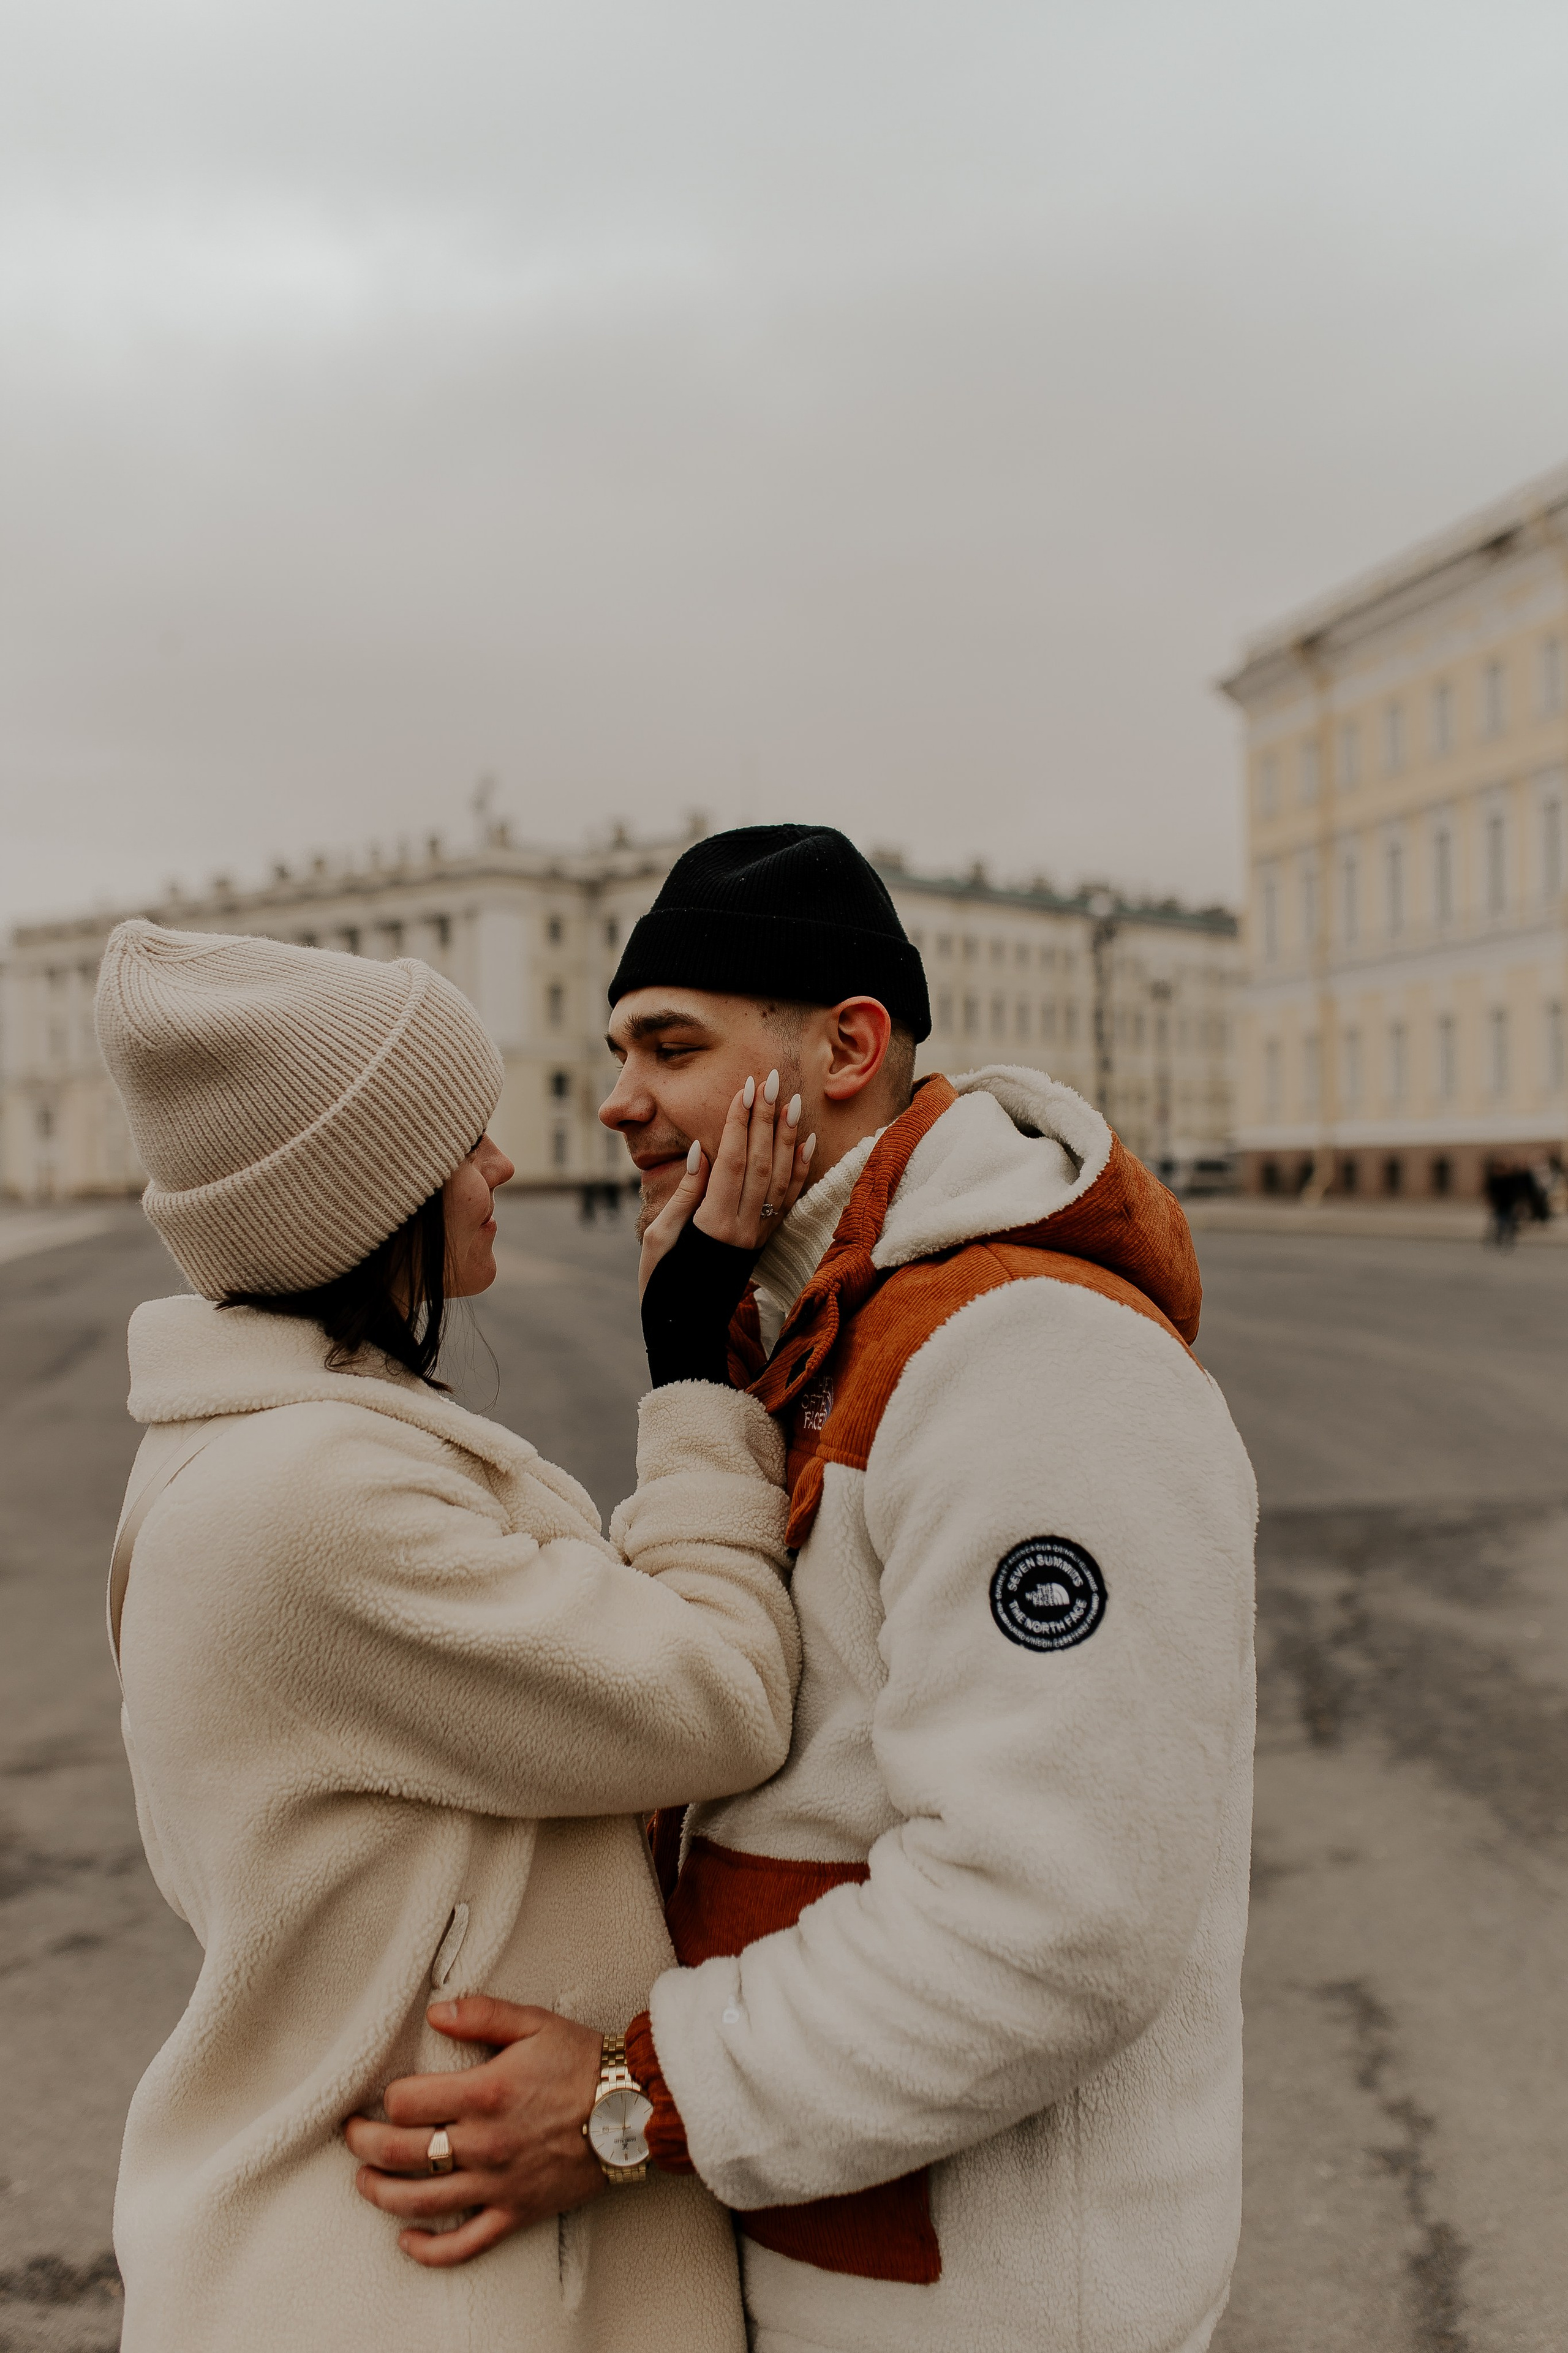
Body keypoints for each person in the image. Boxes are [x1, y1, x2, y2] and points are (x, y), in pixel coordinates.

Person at [354, 825, 1259, 2353]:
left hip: (986, 2303)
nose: (616, 1099)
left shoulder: (1024, 1354)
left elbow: (1053, 1912)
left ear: (847, 1044)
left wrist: (635, 2098)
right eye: (617, 1048)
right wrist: (694, 1357)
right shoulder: (821, 1334)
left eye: (670, 1044)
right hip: (845, 2249)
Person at [94, 916, 813, 2353]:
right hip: (408, 2283)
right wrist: (691, 1373)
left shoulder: (278, 1455)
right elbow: (718, 1694)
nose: (498, 1169)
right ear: (357, 1199)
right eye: (460, 1140)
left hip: (390, 2253)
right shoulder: (313, 1496)